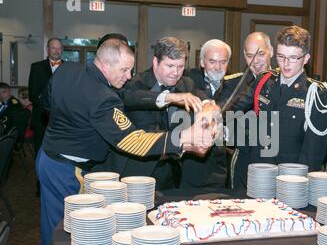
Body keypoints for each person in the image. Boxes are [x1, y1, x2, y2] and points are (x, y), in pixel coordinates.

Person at [35, 38, 216, 245]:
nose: (129, 76)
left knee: (55, 232)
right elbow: (133, 141)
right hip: (66, 169)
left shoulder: (66, 70)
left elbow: (46, 102)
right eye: (124, 70)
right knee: (65, 237)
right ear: (105, 65)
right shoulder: (101, 98)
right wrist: (182, 138)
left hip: (48, 157)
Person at [94, 36, 203, 190]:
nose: (176, 73)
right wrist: (170, 98)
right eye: (170, 66)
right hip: (139, 171)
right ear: (155, 62)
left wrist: (207, 107)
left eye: (180, 66)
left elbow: (198, 104)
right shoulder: (134, 83)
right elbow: (134, 107)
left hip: (172, 171)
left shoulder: (187, 83)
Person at [228, 25, 327, 171]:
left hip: (288, 175)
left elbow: (313, 150)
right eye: (281, 57)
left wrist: (297, 182)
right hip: (257, 170)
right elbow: (233, 108)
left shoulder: (315, 93)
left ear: (306, 58)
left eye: (293, 58)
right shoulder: (265, 80)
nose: (286, 64)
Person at [181, 39, 234, 188]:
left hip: (219, 168)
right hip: (189, 168)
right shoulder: (187, 81)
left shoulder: (233, 85)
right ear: (202, 62)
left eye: (223, 62)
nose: (218, 67)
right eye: (212, 61)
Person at [226, 32, 274, 190]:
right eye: (250, 55)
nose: (256, 61)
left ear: (271, 52)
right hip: (244, 155)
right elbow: (226, 116)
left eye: (261, 54)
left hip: (275, 157)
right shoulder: (234, 83)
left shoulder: (283, 81)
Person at [28, 38, 64, 156]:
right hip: (41, 117)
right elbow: (33, 94)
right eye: (53, 48)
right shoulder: (36, 67)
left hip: (63, 118)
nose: (56, 51)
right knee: (40, 148)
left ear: (62, 50)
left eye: (59, 48)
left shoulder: (69, 67)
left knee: (60, 149)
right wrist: (47, 109)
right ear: (47, 49)